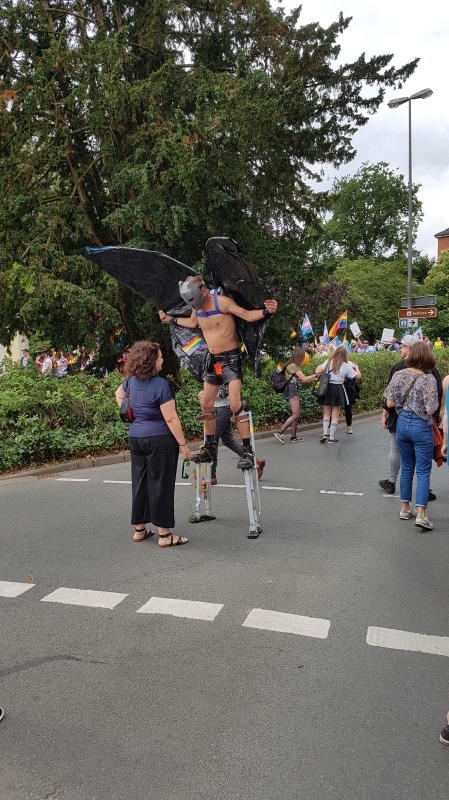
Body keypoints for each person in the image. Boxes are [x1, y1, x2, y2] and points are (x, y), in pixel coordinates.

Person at [159, 276, 277, 470]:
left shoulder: (222, 302)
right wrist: (169, 318)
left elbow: (247, 315)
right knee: (206, 404)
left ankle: (247, 452)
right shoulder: (197, 308)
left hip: (230, 360)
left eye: (196, 300)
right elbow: (192, 323)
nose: (195, 305)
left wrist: (267, 311)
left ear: (204, 291)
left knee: (234, 403)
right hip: (212, 361)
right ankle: (210, 449)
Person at [115, 340, 191, 546]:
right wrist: (183, 444)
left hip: (136, 437)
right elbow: (171, 418)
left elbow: (118, 395)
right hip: (159, 439)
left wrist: (132, 415)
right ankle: (165, 535)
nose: (163, 360)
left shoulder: (131, 381)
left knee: (140, 482)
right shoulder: (162, 385)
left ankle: (140, 529)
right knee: (161, 484)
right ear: (152, 361)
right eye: (160, 357)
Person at [378, 335, 442, 501]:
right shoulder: (431, 373)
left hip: (400, 420)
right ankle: (423, 496)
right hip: (423, 422)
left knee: (399, 455)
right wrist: (437, 417)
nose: (400, 348)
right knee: (423, 465)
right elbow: (433, 404)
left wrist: (385, 413)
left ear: (411, 349)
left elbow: (389, 400)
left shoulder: (398, 370)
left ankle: (396, 490)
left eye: (403, 346)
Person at [199, 386, 265, 484]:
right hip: (219, 408)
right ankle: (255, 461)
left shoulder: (224, 371)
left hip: (223, 408)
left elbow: (223, 392)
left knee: (213, 440)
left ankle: (211, 475)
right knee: (227, 440)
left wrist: (207, 395)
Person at [315, 345, 358, 443]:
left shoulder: (329, 361)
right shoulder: (346, 365)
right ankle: (332, 438)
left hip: (327, 388)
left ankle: (325, 433)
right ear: (345, 355)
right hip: (338, 388)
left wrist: (319, 366)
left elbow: (317, 371)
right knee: (335, 415)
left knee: (326, 413)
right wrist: (357, 368)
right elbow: (357, 376)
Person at [273, 348, 317, 443]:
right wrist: (315, 375)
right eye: (302, 357)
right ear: (299, 356)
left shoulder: (291, 365)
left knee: (296, 414)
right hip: (291, 390)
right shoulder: (293, 366)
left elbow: (301, 380)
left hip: (291, 389)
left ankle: (294, 436)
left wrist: (312, 379)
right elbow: (304, 379)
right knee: (296, 414)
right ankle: (280, 432)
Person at [344, 354, 361, 434]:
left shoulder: (351, 363)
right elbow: (358, 375)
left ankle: (349, 425)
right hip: (343, 386)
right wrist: (356, 368)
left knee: (348, 407)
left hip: (348, 387)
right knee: (337, 408)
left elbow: (357, 376)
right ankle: (331, 427)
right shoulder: (336, 363)